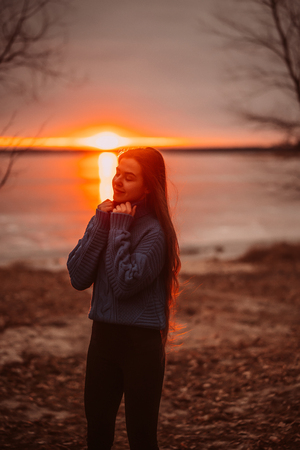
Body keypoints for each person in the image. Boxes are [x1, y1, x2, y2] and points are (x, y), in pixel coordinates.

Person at [67, 147, 180, 450]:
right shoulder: (106, 217)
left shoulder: (155, 233)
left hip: (140, 346)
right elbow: (78, 277)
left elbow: (124, 284)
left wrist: (117, 228)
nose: (118, 181)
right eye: (118, 172)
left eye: (129, 177)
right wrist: (101, 224)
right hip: (102, 340)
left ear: (147, 187)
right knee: (97, 432)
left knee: (141, 438)